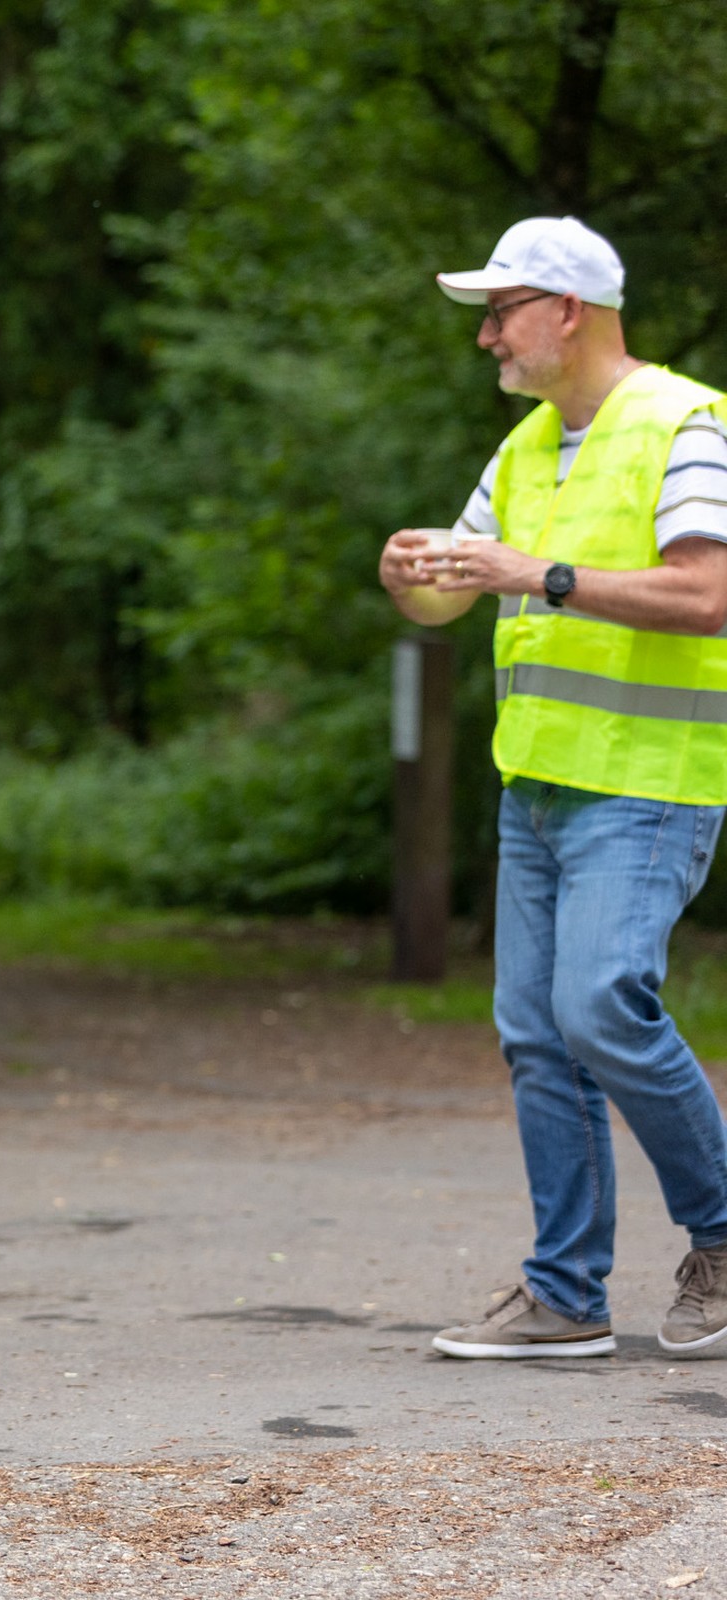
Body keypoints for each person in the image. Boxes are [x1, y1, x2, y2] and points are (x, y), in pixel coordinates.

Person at [379, 216, 727, 1363]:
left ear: (569, 312)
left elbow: (707, 595)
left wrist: (538, 574)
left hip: (646, 784)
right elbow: (460, 588)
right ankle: (566, 1293)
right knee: (537, 1033)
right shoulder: (527, 447)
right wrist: (412, 579)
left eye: (501, 312)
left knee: (599, 1004)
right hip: (535, 786)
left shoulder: (687, 424)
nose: (487, 337)